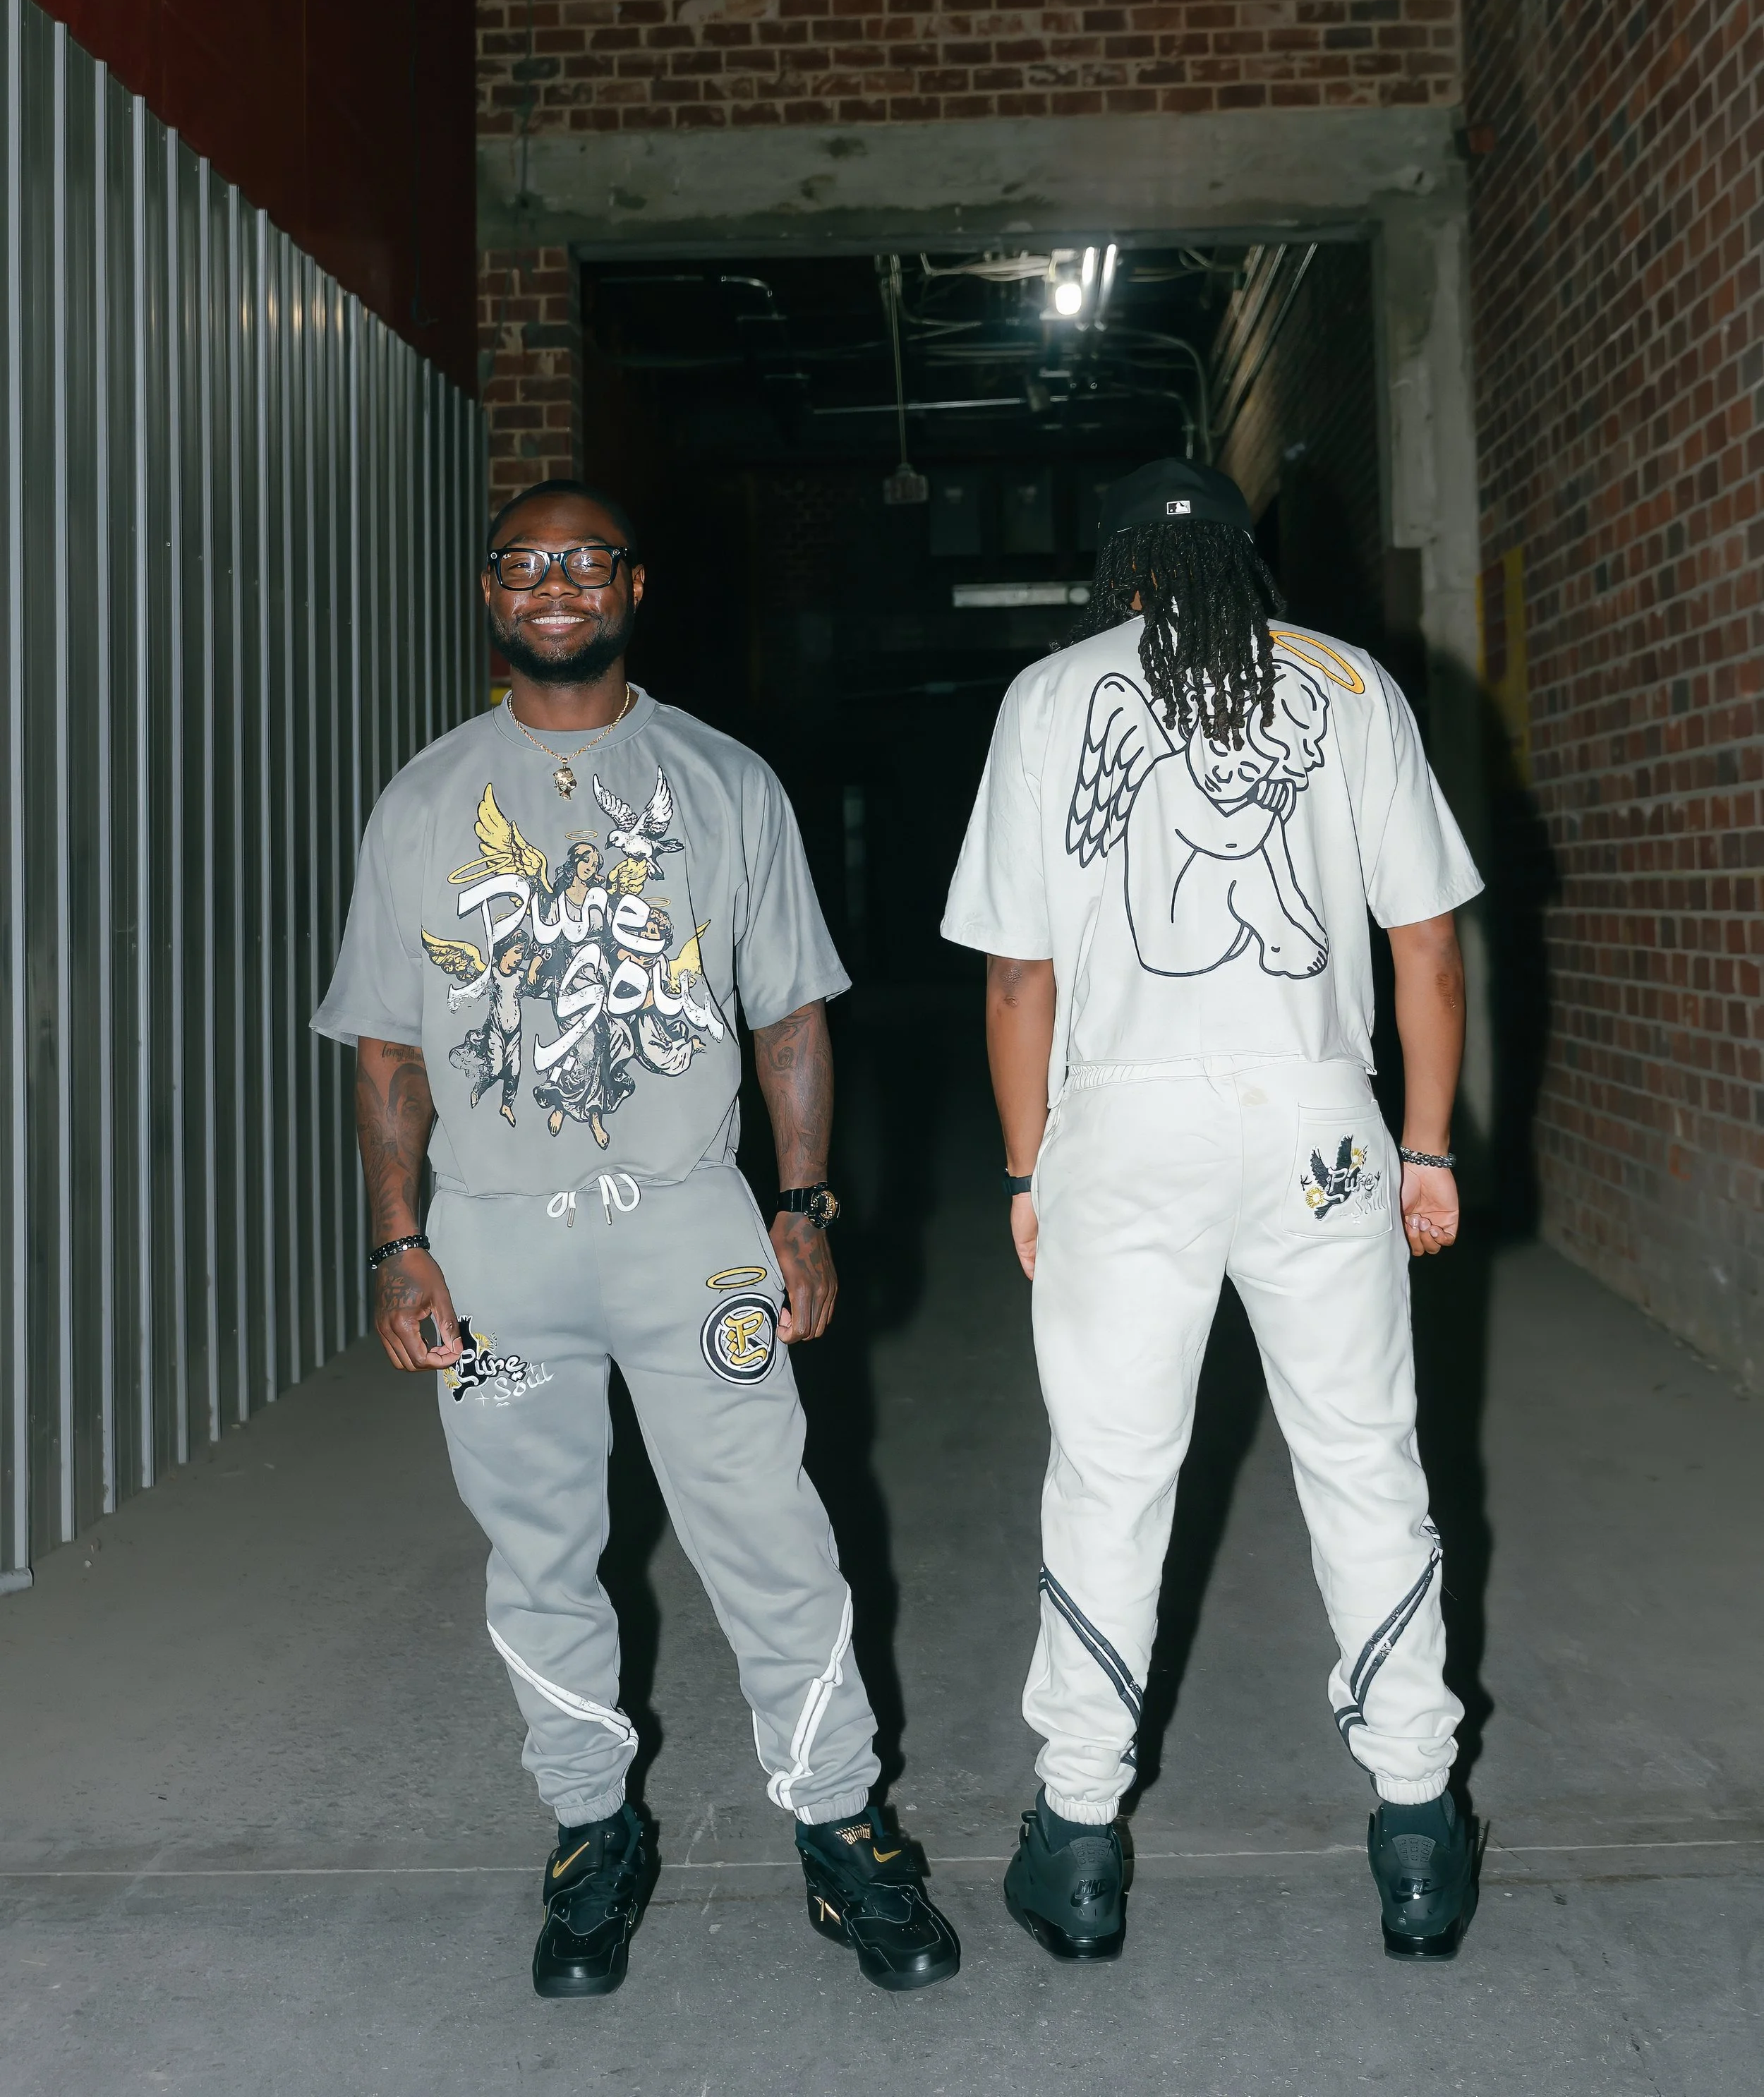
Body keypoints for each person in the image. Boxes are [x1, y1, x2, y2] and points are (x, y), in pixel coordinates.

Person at [315, 478, 959, 2000]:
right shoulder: (423, 801)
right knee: (538, 1552)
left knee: (770, 1532)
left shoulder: (725, 782)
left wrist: (803, 1205)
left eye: (584, 562)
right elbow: (387, 1048)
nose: (554, 585)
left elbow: (788, 1014)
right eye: (523, 564)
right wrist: (398, 1243)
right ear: (490, 595)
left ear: (634, 586)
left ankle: (839, 1826)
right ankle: (589, 1835)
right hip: (493, 1242)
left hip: (690, 1226)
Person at [941, 457, 1485, 1965]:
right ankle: (1418, 1830)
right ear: (1250, 565)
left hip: (1124, 1124)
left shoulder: (1050, 698)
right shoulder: (1352, 685)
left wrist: (1025, 1168)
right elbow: (1427, 949)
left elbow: (1017, 977)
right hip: (1317, 1119)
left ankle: (1076, 1840)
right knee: (1364, 1458)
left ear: (1116, 572)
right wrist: (1426, 1148)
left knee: (1111, 1474)